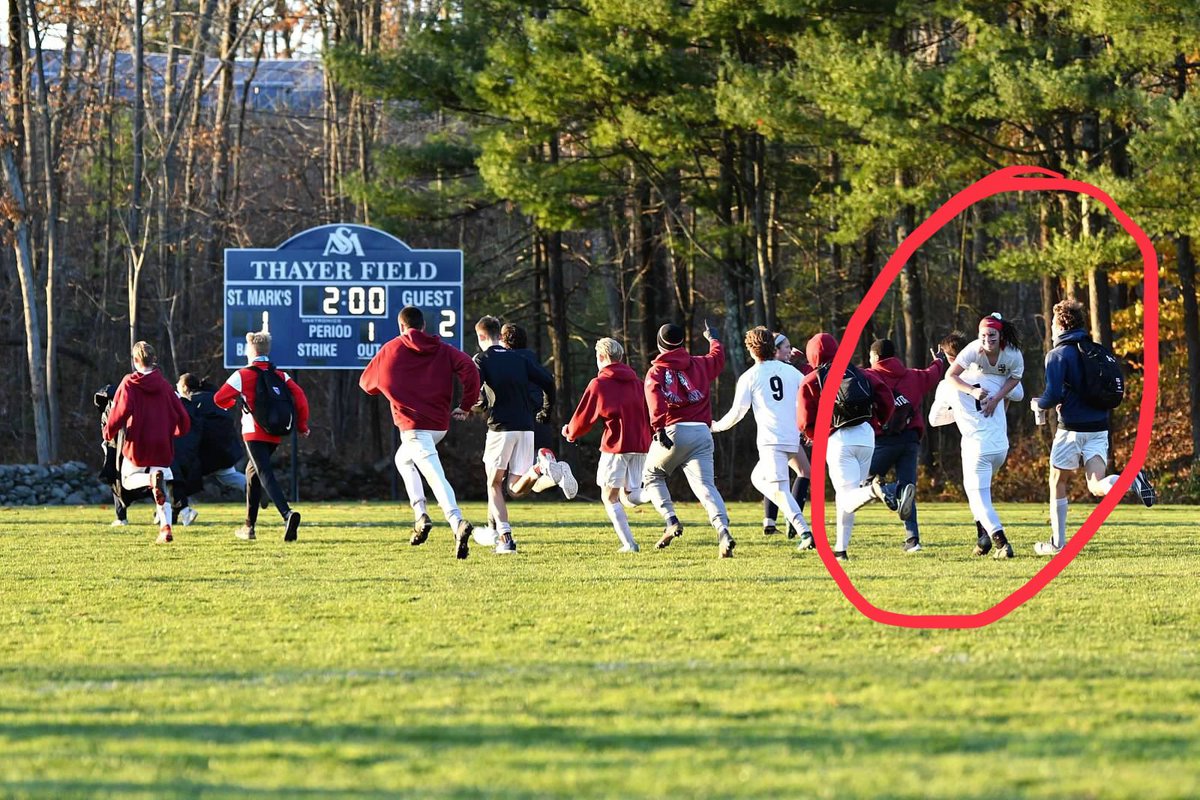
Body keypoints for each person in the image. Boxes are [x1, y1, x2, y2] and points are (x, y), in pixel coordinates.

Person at [1031, 299, 1155, 556]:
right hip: (1099, 427)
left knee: (1058, 481)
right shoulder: (1097, 350)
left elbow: (1052, 394)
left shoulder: (1056, 355)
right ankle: (1130, 480)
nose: (1052, 328)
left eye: (1053, 323)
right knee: (1097, 484)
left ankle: (1057, 543)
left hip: (1071, 430)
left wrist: (1038, 404)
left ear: (1061, 324)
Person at [360, 305, 481, 559]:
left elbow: (366, 384)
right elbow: (469, 368)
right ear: (424, 326)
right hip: (438, 426)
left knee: (434, 475)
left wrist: (395, 389)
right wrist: (466, 404)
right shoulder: (443, 349)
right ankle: (421, 516)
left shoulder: (391, 349)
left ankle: (456, 521)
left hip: (413, 428)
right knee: (402, 459)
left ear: (401, 326)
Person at [474, 315, 575, 555]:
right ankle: (539, 470)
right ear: (499, 334)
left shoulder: (482, 358)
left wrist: (469, 406)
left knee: (493, 483)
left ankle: (505, 539)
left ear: (481, 337)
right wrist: (547, 410)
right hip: (526, 426)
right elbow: (548, 381)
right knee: (514, 488)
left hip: (500, 427)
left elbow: (477, 393)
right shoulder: (519, 358)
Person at [796, 333, 896, 561]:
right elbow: (886, 400)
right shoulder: (861, 373)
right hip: (866, 436)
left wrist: (814, 436)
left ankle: (877, 490)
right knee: (852, 496)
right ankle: (841, 550)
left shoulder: (812, 379)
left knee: (846, 497)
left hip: (838, 439)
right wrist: (878, 421)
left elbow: (803, 421)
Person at [711, 327, 812, 549]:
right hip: (791, 438)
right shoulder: (792, 372)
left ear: (752, 350)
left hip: (771, 441)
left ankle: (804, 531)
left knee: (781, 488)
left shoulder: (750, 376)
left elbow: (737, 413)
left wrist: (717, 427)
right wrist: (808, 428)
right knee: (758, 479)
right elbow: (809, 398)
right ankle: (791, 517)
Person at [642, 320, 735, 558]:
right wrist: (713, 338)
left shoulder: (656, 371)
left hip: (674, 431)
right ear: (682, 342)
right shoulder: (700, 364)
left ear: (660, 346)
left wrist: (659, 428)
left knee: (652, 475)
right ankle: (723, 531)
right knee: (706, 487)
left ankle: (671, 520)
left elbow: (655, 398)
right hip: (702, 434)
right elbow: (717, 357)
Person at [929, 332, 1022, 558]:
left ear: (951, 358)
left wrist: (959, 414)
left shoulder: (947, 385)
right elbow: (1018, 393)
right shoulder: (993, 375)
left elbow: (934, 420)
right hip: (1000, 445)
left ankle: (1000, 542)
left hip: (977, 446)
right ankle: (983, 540)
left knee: (978, 497)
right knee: (981, 496)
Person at [214, 331, 310, 542]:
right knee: (252, 474)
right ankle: (249, 528)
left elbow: (219, 398)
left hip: (253, 433)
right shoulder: (280, 375)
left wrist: (232, 402)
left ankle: (287, 514)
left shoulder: (242, 375)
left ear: (251, 351)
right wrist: (301, 425)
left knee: (264, 472)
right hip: (274, 434)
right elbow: (300, 397)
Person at [562, 337, 651, 552]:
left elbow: (584, 417)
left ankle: (629, 544)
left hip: (616, 445)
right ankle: (655, 492)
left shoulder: (599, 383)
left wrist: (571, 433)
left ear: (601, 357)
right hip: (641, 444)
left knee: (609, 496)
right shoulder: (638, 383)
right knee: (630, 495)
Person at [101, 341, 191, 544]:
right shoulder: (165, 385)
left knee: (128, 479)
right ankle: (165, 527)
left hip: (138, 441)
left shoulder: (129, 383)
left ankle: (151, 481)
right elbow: (182, 415)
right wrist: (179, 431)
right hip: (161, 442)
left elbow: (119, 412)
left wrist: (108, 432)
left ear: (134, 361)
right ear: (154, 360)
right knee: (161, 488)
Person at [866, 338, 947, 553]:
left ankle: (886, 489)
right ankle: (913, 541)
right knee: (907, 490)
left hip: (883, 441)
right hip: (910, 440)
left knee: (862, 483)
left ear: (875, 357)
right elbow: (933, 373)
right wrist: (939, 360)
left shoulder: (869, 376)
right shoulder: (914, 376)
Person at [172, 373, 248, 527]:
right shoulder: (214, 397)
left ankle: (178, 511)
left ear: (185, 387)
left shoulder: (190, 403)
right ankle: (253, 487)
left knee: (178, 476)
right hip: (227, 448)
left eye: (178, 385)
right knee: (228, 475)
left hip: (206, 452)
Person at [760, 332, 813, 538]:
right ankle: (794, 520)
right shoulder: (790, 372)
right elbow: (808, 388)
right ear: (775, 349)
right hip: (786, 434)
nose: (790, 350)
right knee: (803, 472)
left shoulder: (760, 371)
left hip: (767, 435)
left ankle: (769, 520)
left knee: (773, 477)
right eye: (787, 347)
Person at [500, 323, 557, 454]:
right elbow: (549, 384)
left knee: (511, 472)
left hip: (512, 429)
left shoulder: (503, 367)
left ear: (504, 341)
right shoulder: (535, 364)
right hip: (539, 431)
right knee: (539, 468)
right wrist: (546, 412)